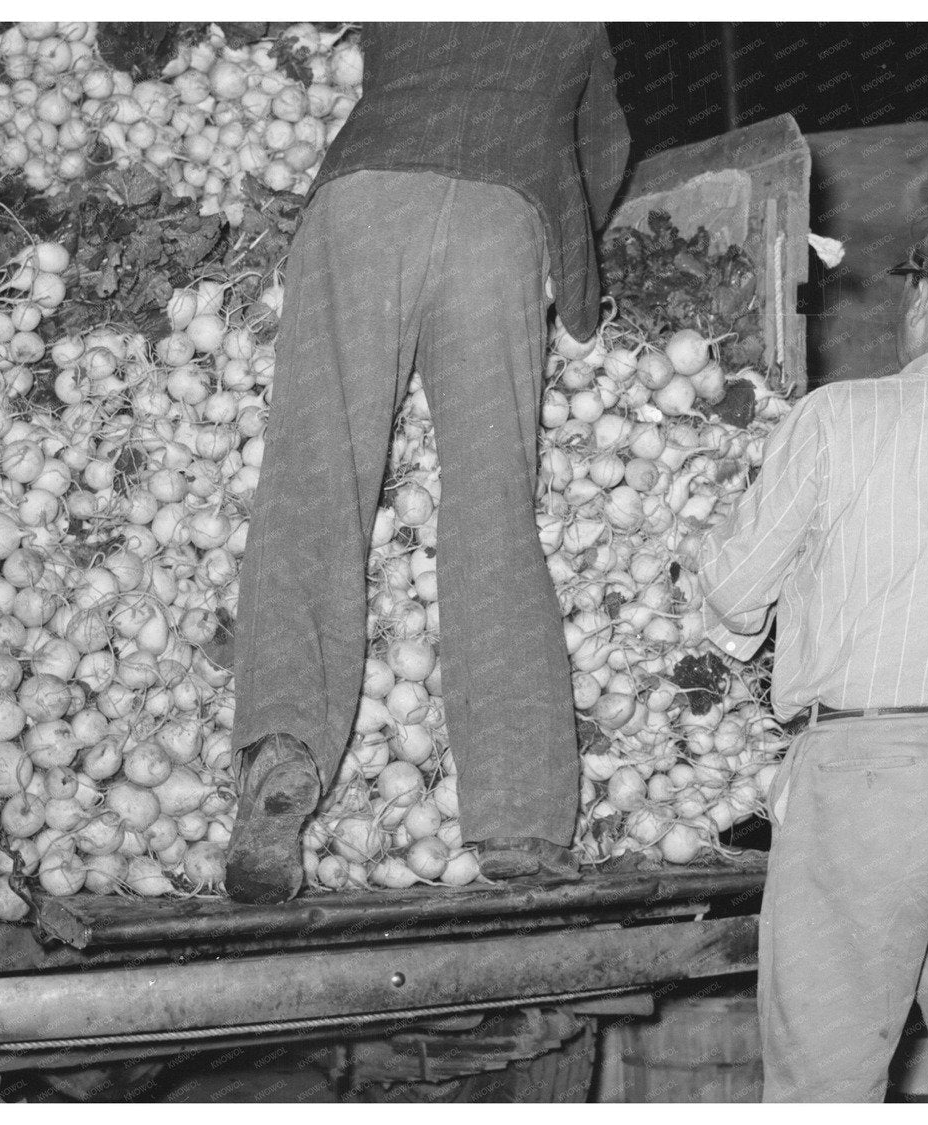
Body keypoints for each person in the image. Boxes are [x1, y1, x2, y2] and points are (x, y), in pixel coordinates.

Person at [224, 23, 631, 904]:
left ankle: (285, 745)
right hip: (501, 219)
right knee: (494, 510)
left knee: (316, 479)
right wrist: (574, 263)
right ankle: (521, 815)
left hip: (368, 200)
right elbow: (604, 146)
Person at [695, 196, 928, 1102]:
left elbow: (735, 588)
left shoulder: (840, 416)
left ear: (920, 299)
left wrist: (718, 577)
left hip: (876, 776)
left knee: (826, 1084)